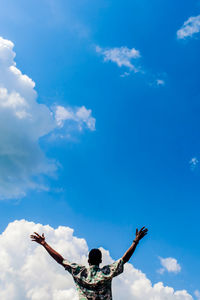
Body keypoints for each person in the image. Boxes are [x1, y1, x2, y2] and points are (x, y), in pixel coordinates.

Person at [30, 226, 148, 299]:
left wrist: (44, 244)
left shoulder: (80, 272)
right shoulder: (107, 273)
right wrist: (135, 241)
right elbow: (124, 259)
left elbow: (60, 260)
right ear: (101, 261)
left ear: (88, 260)